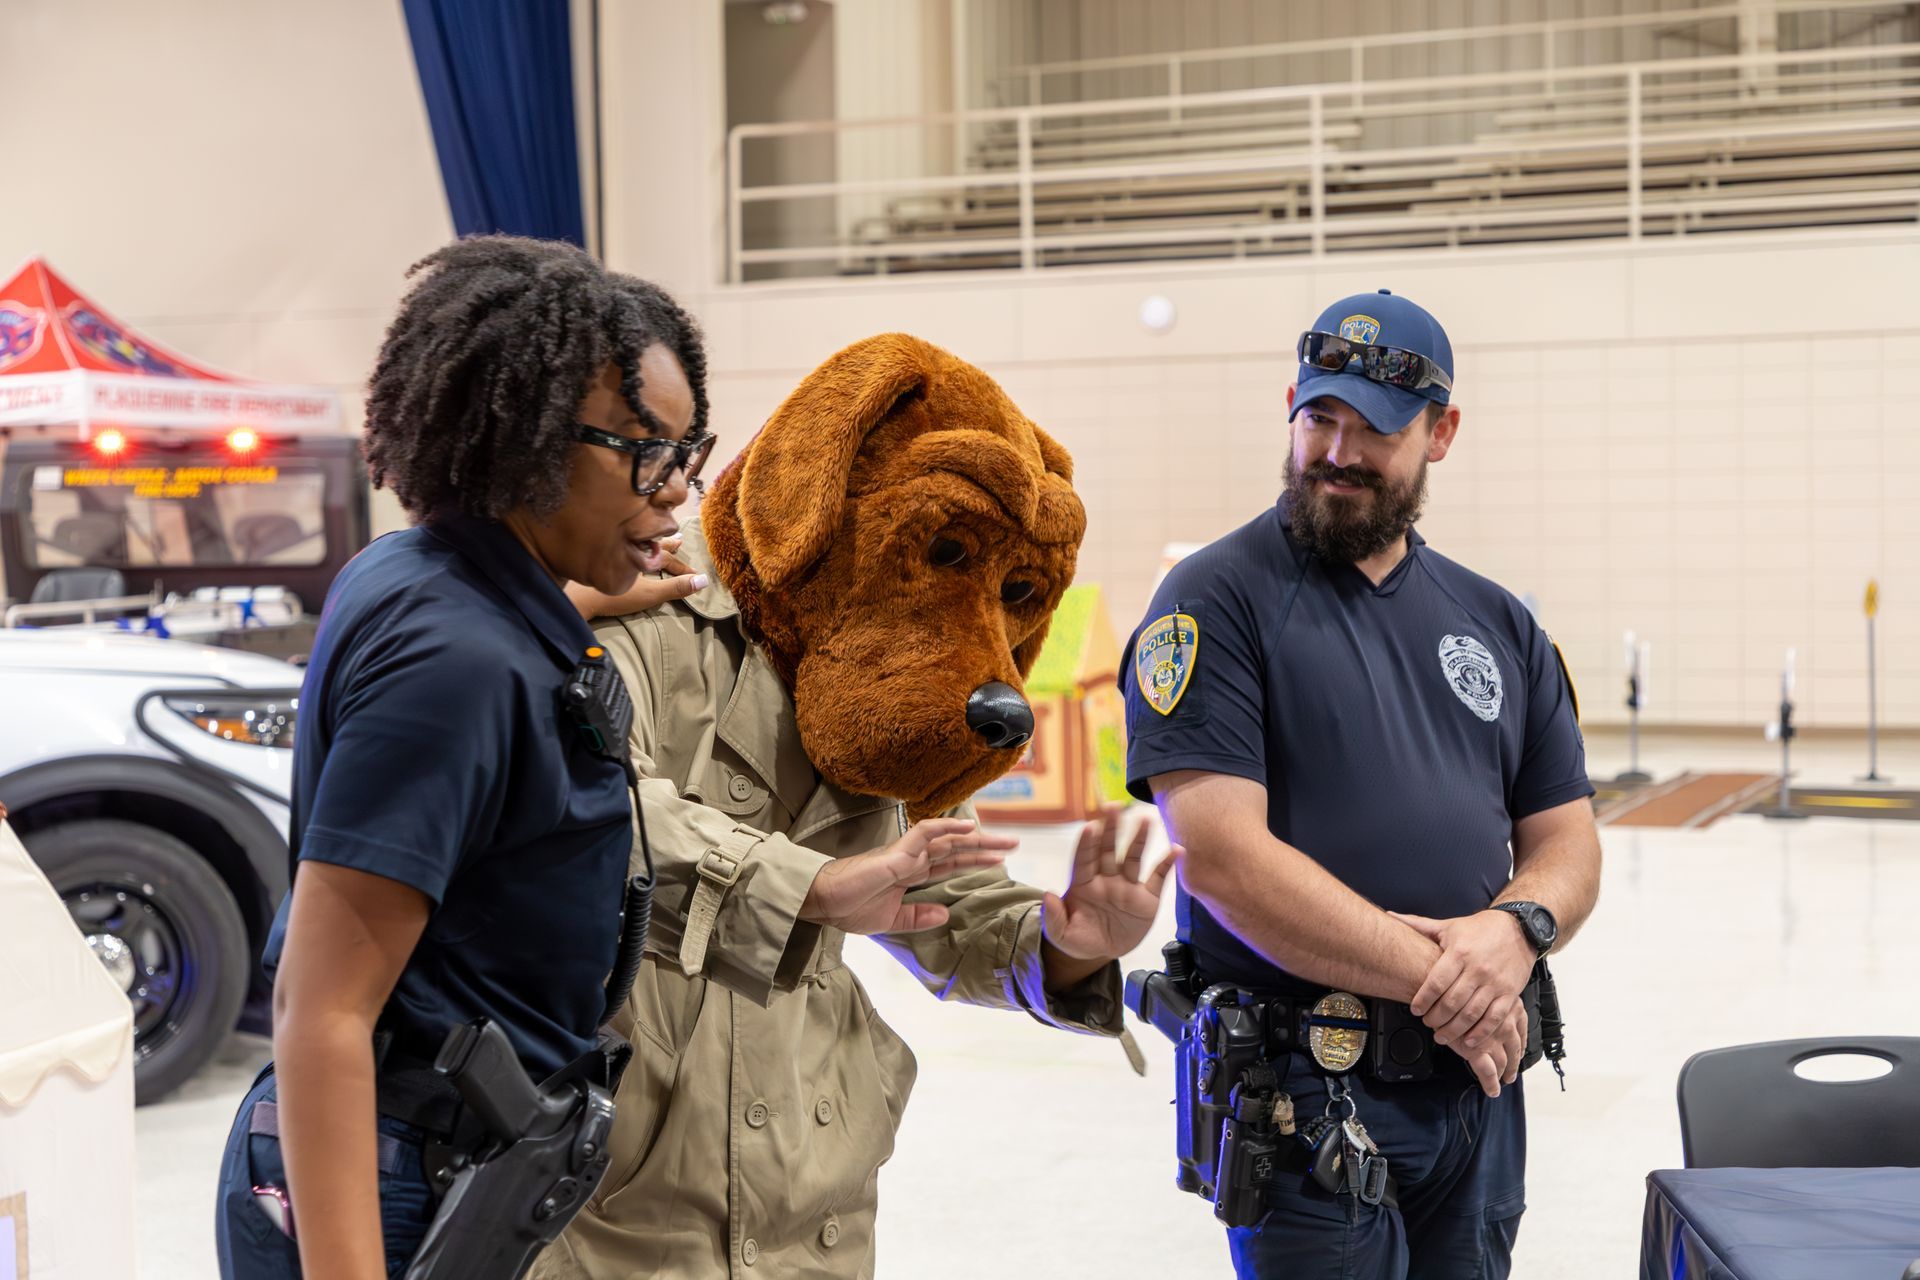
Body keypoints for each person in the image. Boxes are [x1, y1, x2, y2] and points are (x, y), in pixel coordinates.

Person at [213, 235, 711, 1280]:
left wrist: (611, 585)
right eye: (644, 451)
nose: (675, 495)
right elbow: (324, 1006)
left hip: (436, 1152)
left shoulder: (426, 571)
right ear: (529, 440)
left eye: (686, 454)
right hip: (394, 1175)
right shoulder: (456, 662)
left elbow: (508, 608)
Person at [1123, 289, 1602, 1279]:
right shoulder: (1217, 598)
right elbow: (1222, 857)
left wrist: (1515, 931)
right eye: (1319, 417)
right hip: (1311, 1091)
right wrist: (1454, 984)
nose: (1337, 450)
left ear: (1441, 434)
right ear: (1292, 404)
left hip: (1474, 1087)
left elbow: (1569, 840)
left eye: (1373, 429)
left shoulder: (1496, 620)